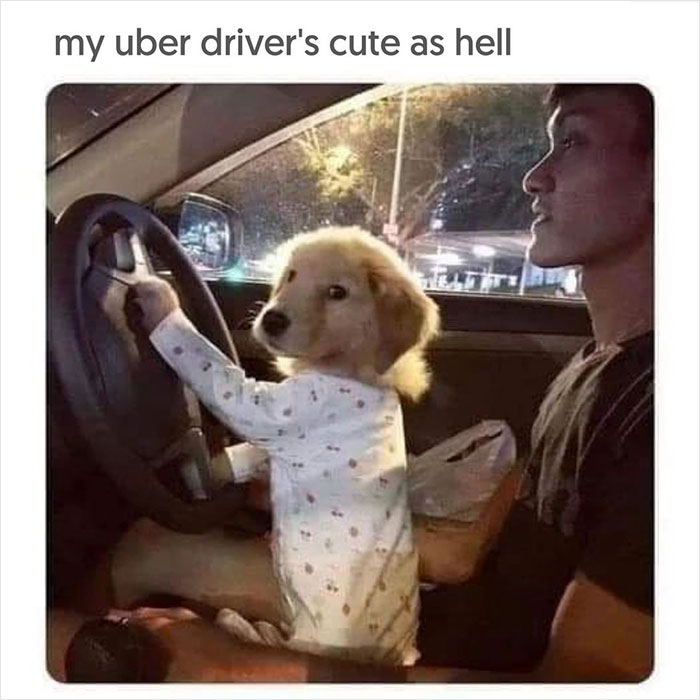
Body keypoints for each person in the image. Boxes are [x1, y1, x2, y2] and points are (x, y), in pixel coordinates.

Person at [50, 83, 654, 682]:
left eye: (573, 141)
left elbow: (587, 684)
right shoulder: (598, 364)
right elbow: (500, 534)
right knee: (149, 543)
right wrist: (347, 502)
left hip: (440, 657)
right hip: (423, 604)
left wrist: (237, 668)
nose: (534, 178)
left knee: (62, 643)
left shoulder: (658, 408)